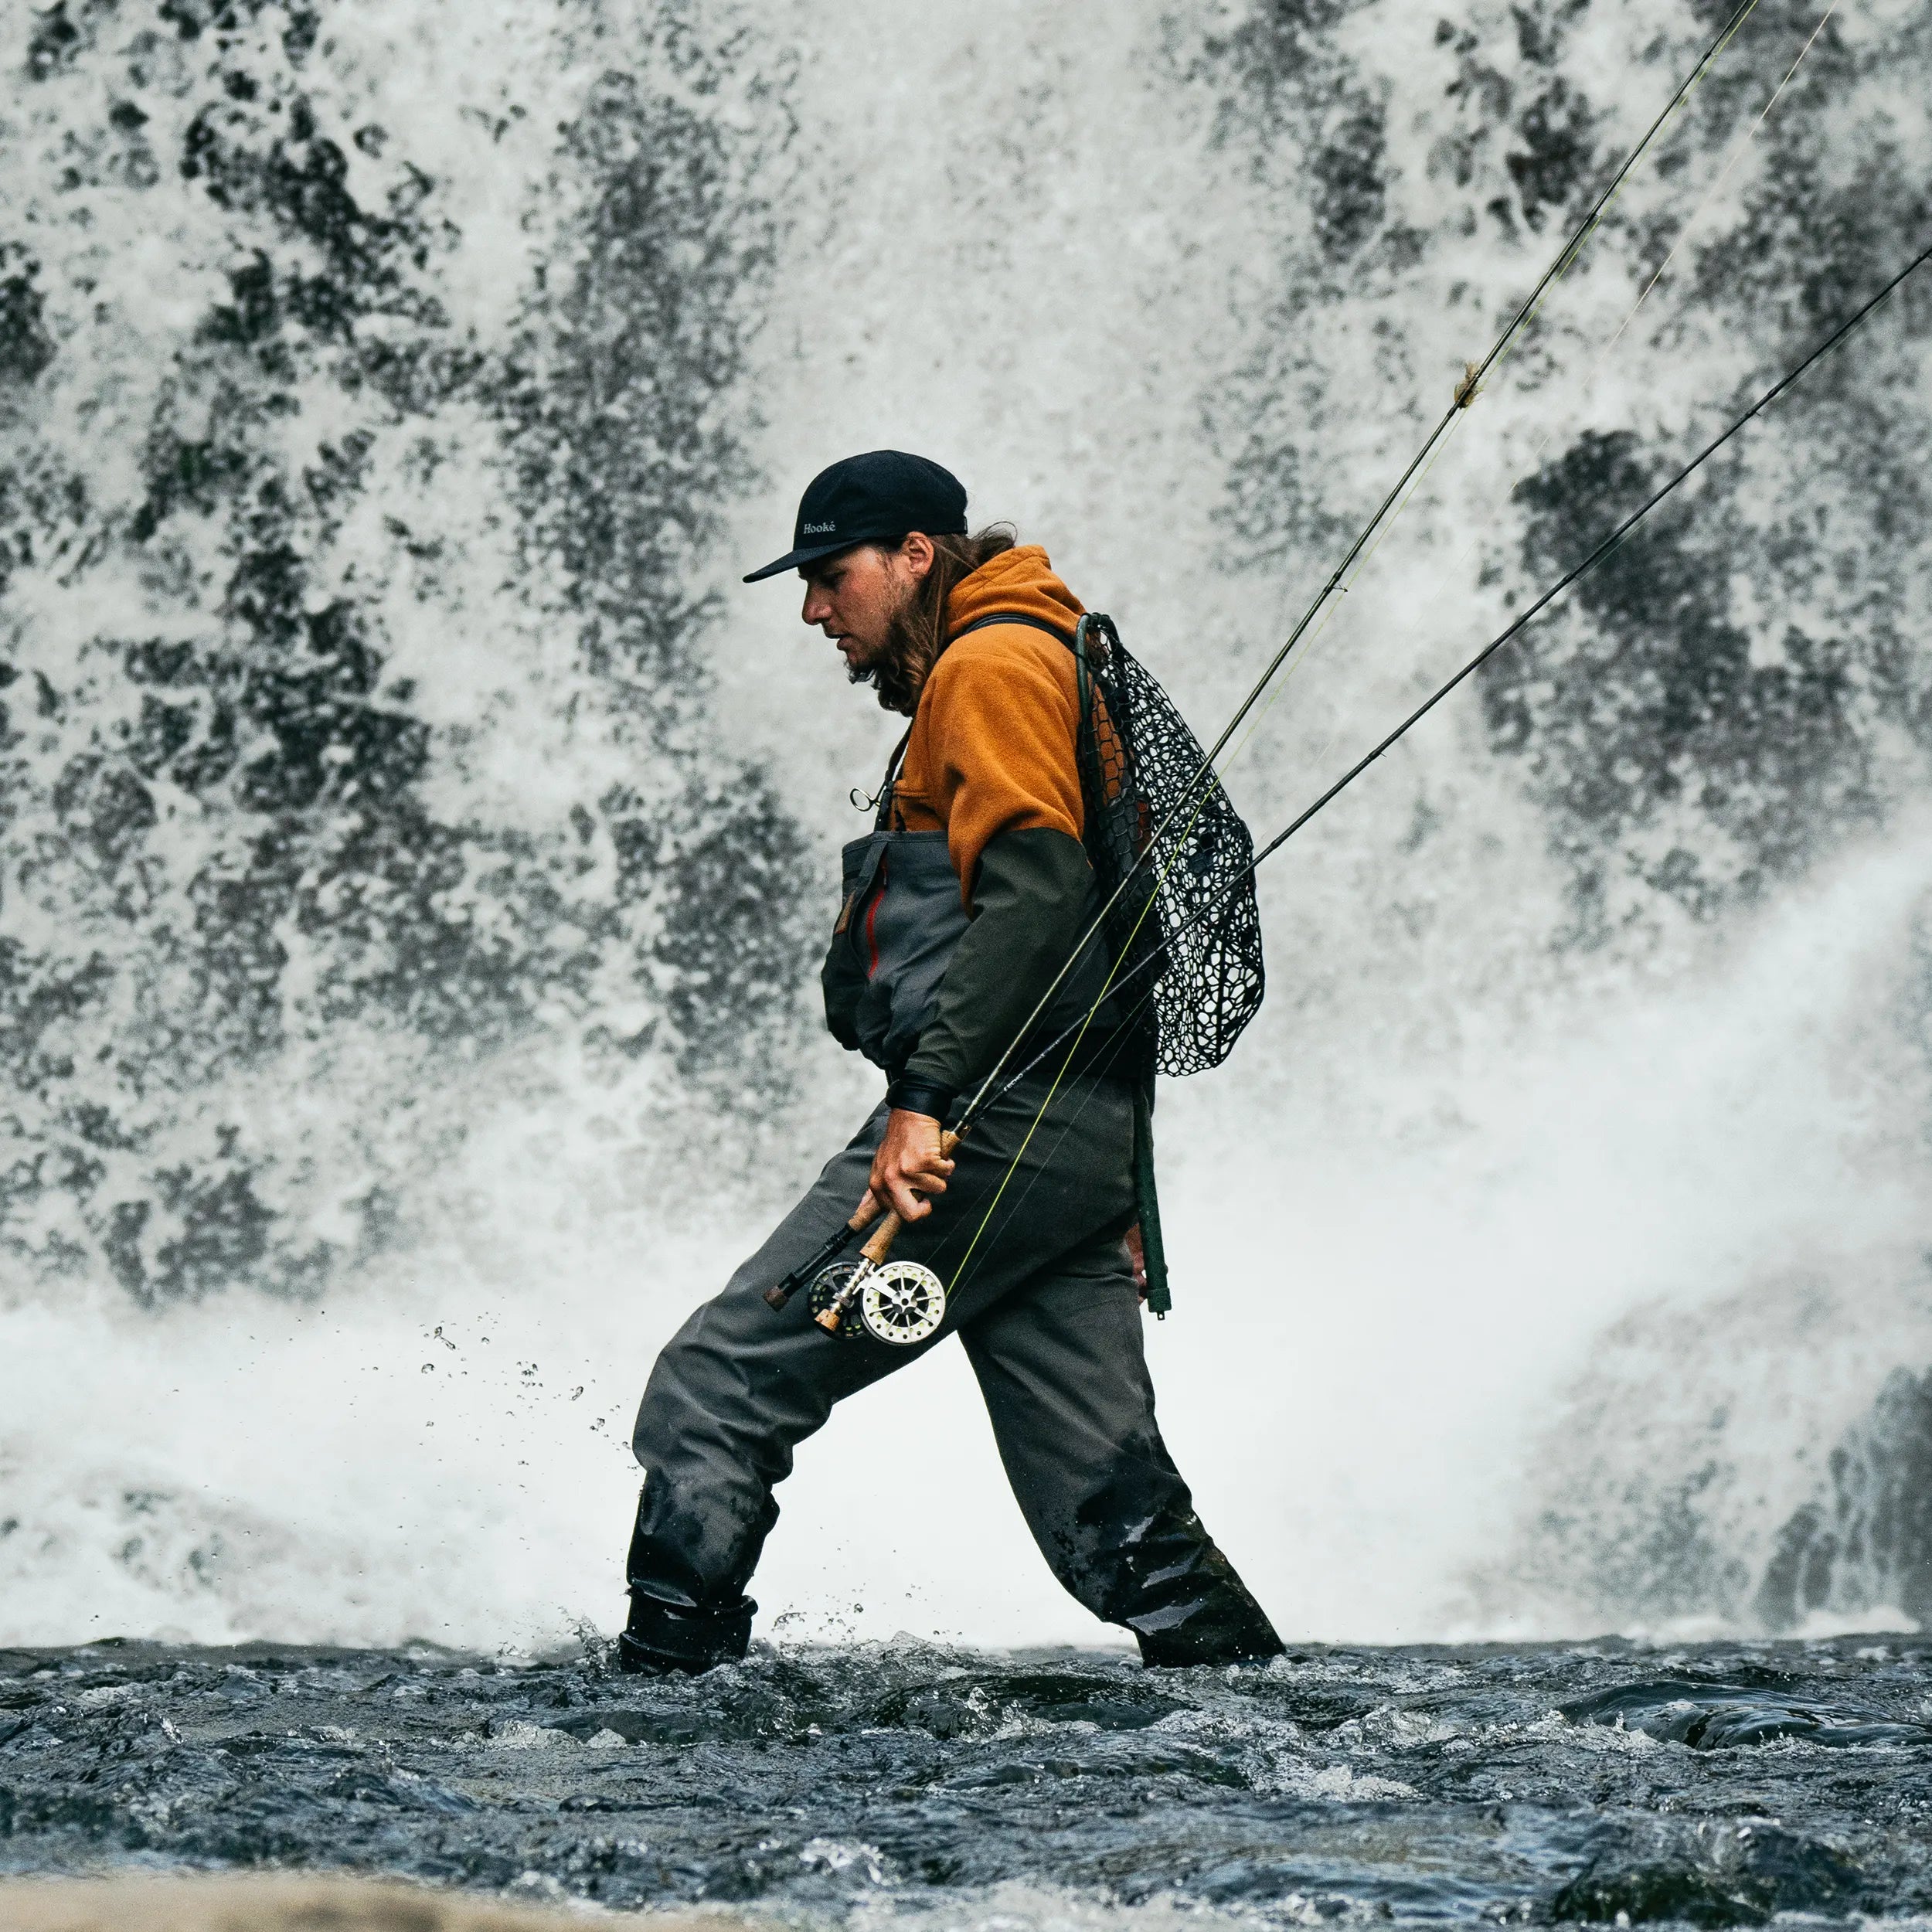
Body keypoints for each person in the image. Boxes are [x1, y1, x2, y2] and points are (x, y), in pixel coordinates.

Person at [619, 451, 1281, 1673]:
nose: (816, 610)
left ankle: (656, 1722)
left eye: (830, 576)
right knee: (1111, 1508)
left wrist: (923, 1106)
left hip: (984, 1133)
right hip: (1065, 1146)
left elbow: (1036, 897)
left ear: (917, 554)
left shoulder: (987, 666)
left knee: (713, 1394)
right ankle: (1287, 1736)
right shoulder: (1045, 648)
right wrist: (1105, 1186)